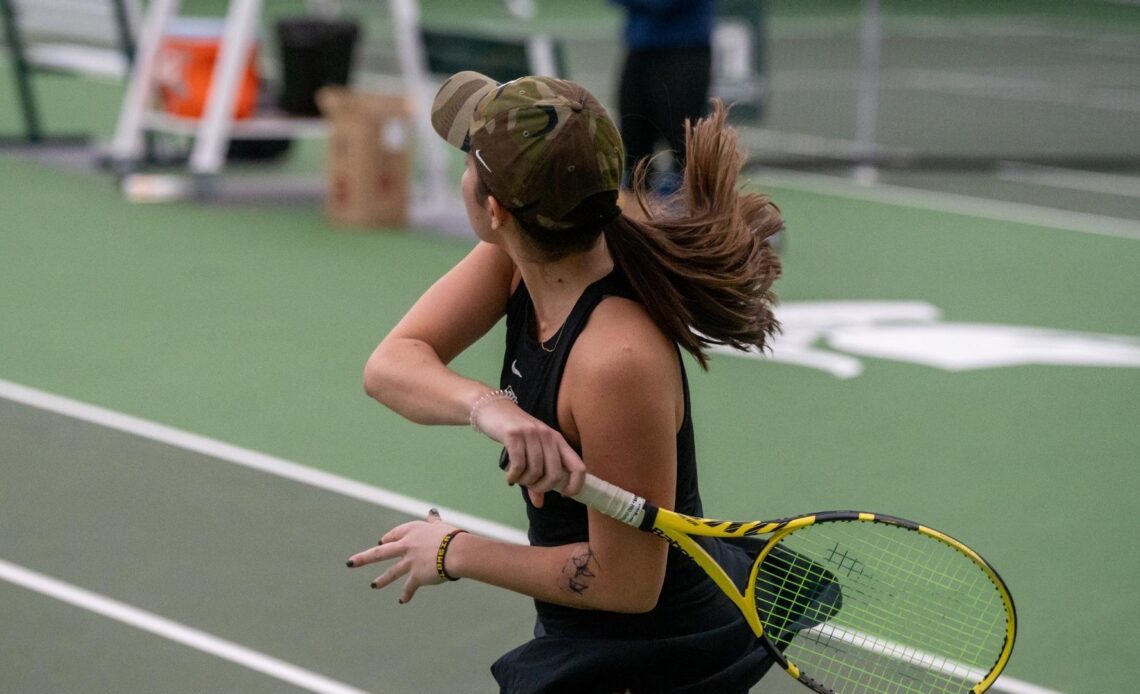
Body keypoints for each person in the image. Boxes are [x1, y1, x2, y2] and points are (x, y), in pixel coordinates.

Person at [347, 71, 783, 693]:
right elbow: (391, 364)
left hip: (652, 664)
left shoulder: (615, 362)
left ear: (493, 208)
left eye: (470, 159)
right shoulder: (518, 257)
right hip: (586, 636)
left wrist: (453, 550)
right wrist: (491, 408)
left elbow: (627, 584)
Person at [611, 0, 715, 195]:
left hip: (684, 51)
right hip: (639, 49)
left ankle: (693, 219)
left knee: (685, 148)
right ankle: (635, 216)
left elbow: (662, 4)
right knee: (634, 148)